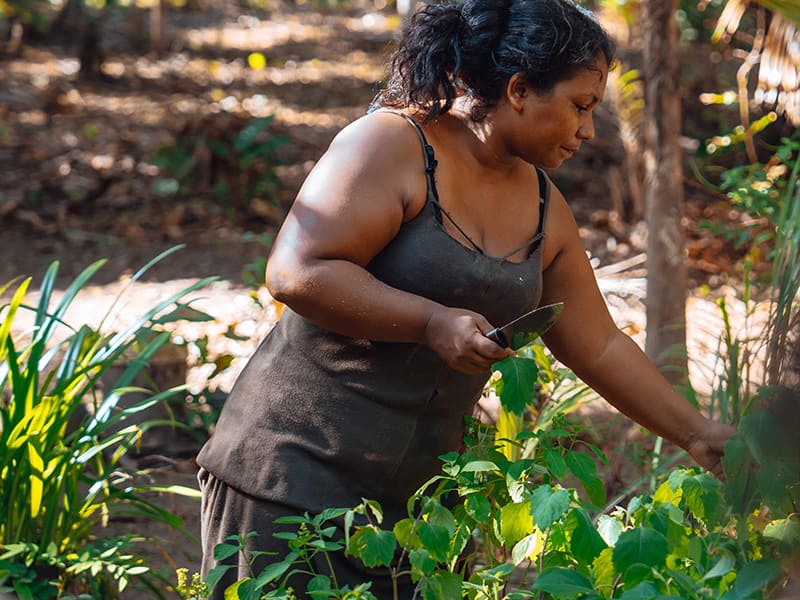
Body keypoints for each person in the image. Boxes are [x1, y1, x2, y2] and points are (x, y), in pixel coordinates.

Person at [196, 0, 735, 597]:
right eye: (580, 106)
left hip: (423, 510)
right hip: (291, 481)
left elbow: (600, 343)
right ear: (520, 89)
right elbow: (297, 270)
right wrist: (431, 322)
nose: (587, 130)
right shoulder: (391, 145)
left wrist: (697, 434)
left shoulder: (542, 204)